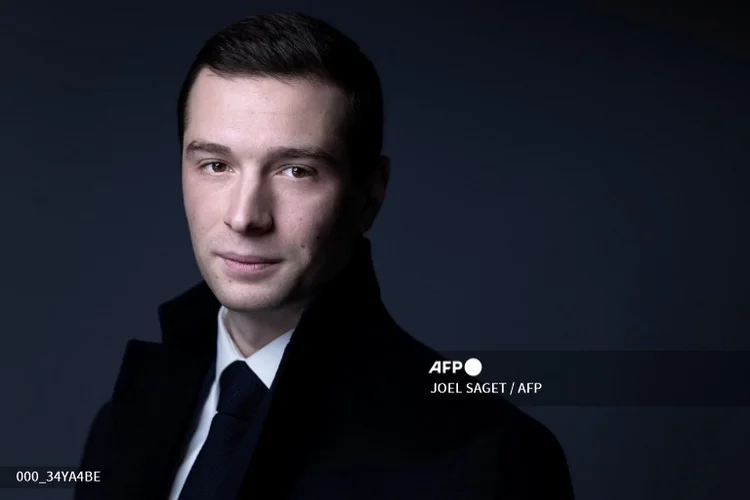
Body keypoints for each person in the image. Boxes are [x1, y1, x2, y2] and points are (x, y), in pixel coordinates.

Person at [74, 11, 574, 500]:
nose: (245, 217)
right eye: (216, 164)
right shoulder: (124, 424)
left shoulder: (488, 457)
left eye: (296, 171)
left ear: (370, 195)